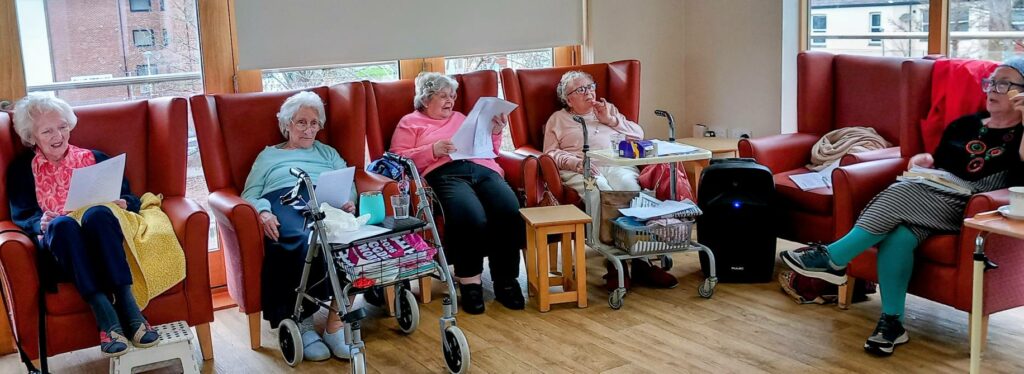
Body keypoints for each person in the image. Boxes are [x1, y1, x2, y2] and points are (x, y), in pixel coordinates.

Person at [780, 56, 1024, 356]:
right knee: (898, 235)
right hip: (934, 192)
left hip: (970, 204)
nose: (992, 89)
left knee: (903, 190)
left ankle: (834, 256)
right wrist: (923, 161)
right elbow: (940, 162)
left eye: (1004, 83)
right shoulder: (965, 124)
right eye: (991, 82)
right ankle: (892, 324)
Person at [7, 95, 159, 357]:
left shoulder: (96, 158)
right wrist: (38, 222)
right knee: (63, 225)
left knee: (98, 214)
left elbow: (132, 199)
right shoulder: (22, 170)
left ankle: (128, 306)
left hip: (105, 241)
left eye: (63, 126)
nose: (58, 135)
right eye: (47, 130)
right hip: (63, 250)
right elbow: (22, 215)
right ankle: (105, 315)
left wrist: (123, 203)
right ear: (31, 137)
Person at [390, 72, 525, 315]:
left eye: (452, 96)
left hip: (483, 168)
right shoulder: (410, 122)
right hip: (445, 172)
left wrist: (495, 131)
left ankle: (506, 280)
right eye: (443, 96)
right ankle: (470, 282)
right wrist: (432, 149)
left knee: (508, 209)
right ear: (425, 98)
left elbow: (490, 149)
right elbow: (397, 158)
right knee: (469, 216)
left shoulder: (462, 117)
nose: (450, 101)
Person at [242, 91, 356, 361]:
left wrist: (348, 201)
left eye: (314, 123)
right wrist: (263, 213)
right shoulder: (268, 157)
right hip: (285, 199)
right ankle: (303, 323)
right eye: (301, 122)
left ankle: (335, 327)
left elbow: (347, 182)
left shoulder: (327, 153)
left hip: (324, 201)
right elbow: (249, 193)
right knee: (304, 241)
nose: (308, 129)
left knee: (349, 243)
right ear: (287, 125)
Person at [543, 70, 678, 290]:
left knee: (630, 189)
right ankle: (615, 264)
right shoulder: (558, 120)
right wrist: (575, 163)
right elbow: (550, 154)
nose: (589, 92)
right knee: (600, 191)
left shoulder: (607, 110)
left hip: (615, 164)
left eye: (591, 86)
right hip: (582, 170)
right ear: (568, 99)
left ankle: (641, 261)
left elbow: (638, 135)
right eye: (581, 89)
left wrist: (611, 120)